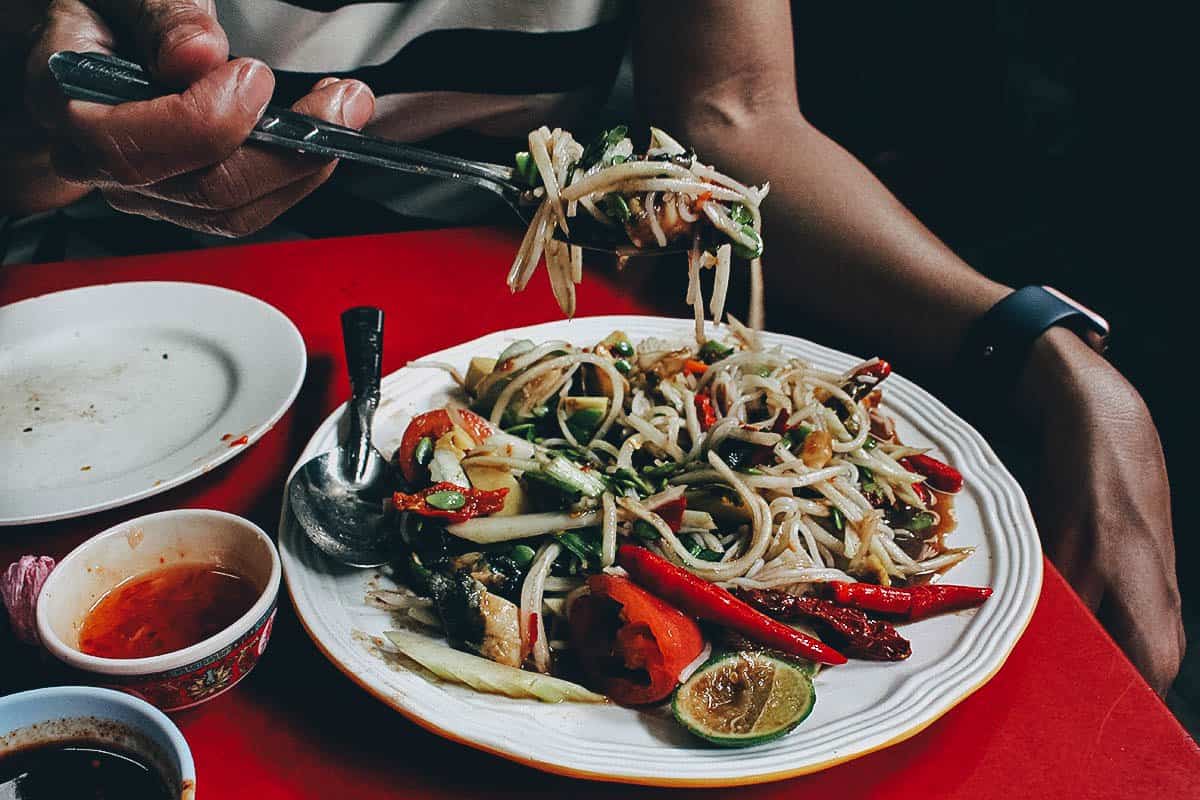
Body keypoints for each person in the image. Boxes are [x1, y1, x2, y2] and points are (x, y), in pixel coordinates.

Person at [4, 0, 1183, 693]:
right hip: (115, 348)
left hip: (519, 293)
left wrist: (1042, 348)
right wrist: (39, 142)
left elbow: (732, 119)